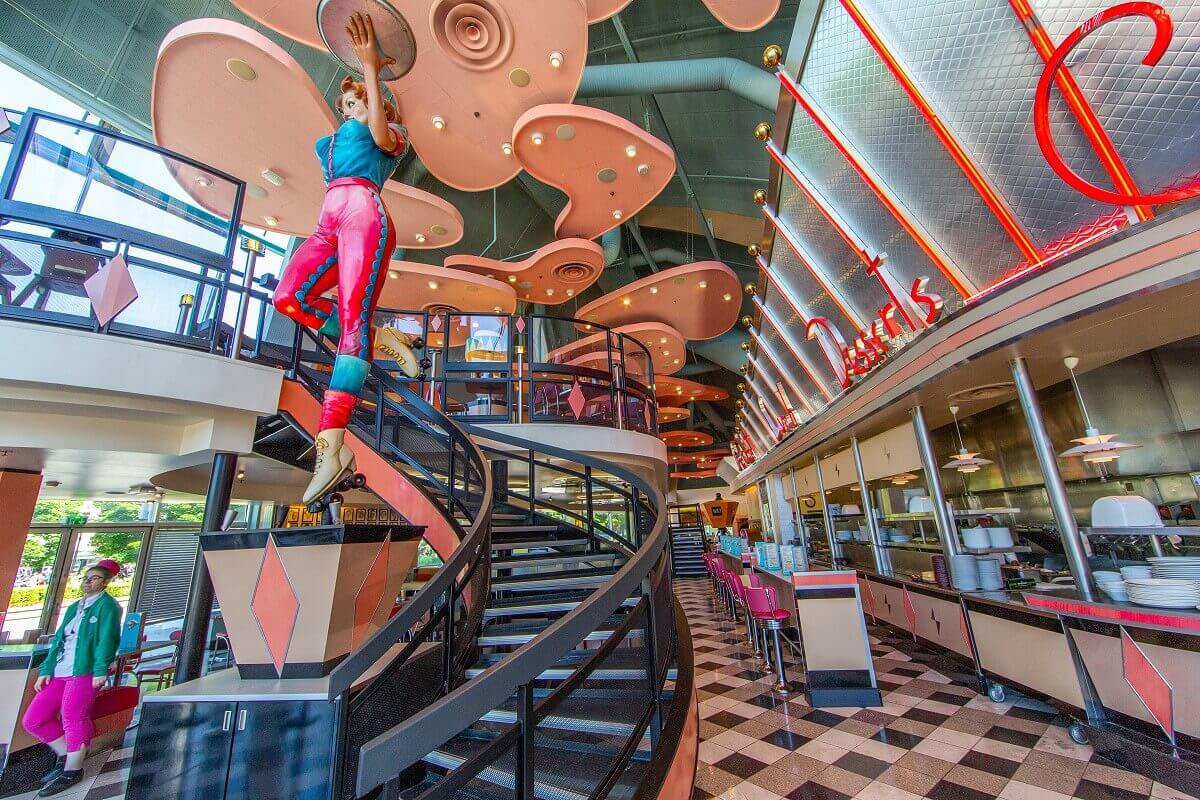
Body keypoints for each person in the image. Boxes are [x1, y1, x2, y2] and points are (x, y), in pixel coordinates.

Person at [272, 11, 419, 504]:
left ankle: (330, 446)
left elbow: (378, 132)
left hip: (362, 212)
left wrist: (372, 69)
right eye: (348, 101)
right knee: (288, 297)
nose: (351, 107)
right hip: (328, 219)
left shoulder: (386, 138)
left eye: (359, 101)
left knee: (351, 326)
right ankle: (375, 336)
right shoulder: (327, 145)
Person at [23, 559, 122, 797]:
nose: (87, 582)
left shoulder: (108, 607)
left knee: (73, 716)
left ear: (106, 582)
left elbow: (107, 640)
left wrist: (100, 670)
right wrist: (46, 669)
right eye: (85, 577)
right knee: (34, 719)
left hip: (84, 671)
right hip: (60, 670)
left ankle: (73, 769)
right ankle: (67, 753)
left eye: (94, 578)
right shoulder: (74, 607)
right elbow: (59, 640)